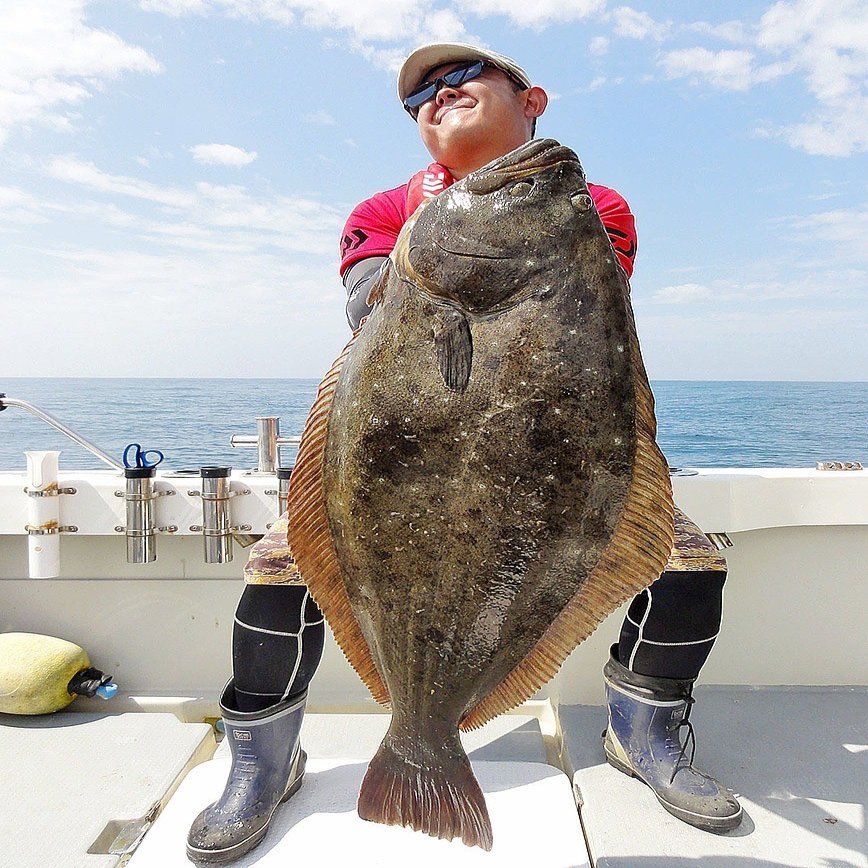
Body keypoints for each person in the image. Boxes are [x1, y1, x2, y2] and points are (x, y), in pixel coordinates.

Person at [187, 41, 741, 865]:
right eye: (419, 100)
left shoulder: (589, 202)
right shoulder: (381, 208)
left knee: (688, 561)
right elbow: (367, 306)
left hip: (540, 464)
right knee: (279, 567)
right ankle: (263, 763)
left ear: (533, 98)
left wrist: (458, 229)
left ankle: (643, 733)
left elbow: (585, 321)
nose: (437, 98)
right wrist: (434, 229)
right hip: (396, 466)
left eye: (459, 80)